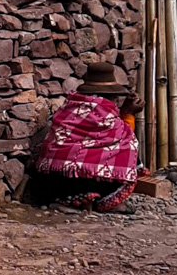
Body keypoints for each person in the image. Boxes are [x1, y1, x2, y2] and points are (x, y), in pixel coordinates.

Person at [32, 61, 142, 211]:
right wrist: (128, 114)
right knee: (129, 148)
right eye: (115, 98)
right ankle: (102, 199)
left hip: (53, 180)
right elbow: (125, 138)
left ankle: (73, 200)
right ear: (109, 97)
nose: (116, 102)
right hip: (77, 180)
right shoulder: (104, 115)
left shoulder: (69, 108)